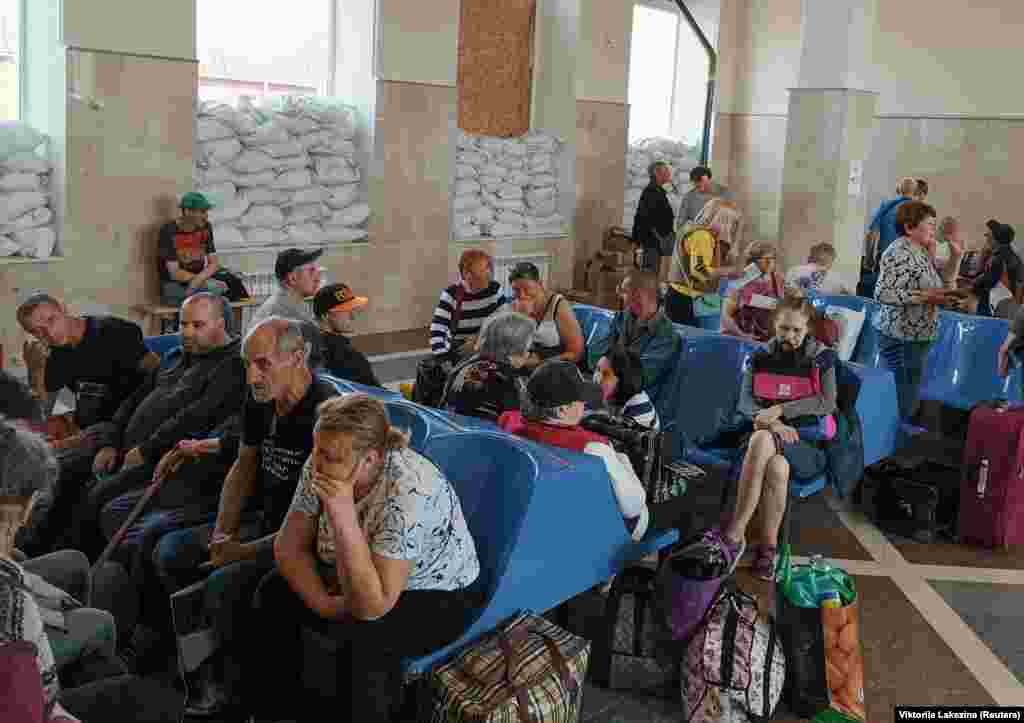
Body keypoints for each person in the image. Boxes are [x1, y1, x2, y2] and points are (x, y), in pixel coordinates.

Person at [250, 394, 483, 722]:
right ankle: (282, 710)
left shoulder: (411, 491)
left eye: (328, 456)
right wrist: (323, 603)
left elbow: (372, 606)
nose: (316, 462)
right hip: (360, 569)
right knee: (272, 593)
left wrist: (342, 514)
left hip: (436, 591)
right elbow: (289, 546)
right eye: (316, 448)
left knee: (365, 643)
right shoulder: (326, 459)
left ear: (370, 460)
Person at [149, 317, 338, 716]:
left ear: (297, 358)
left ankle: (234, 692)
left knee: (223, 585)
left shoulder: (327, 414)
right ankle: (200, 667)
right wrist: (222, 534)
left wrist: (239, 553)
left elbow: (318, 523)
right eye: (247, 364)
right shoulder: (260, 400)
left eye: (263, 364)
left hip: (305, 540)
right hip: (263, 524)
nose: (252, 376)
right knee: (171, 551)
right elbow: (244, 466)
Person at [23, 294, 245, 559]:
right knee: (66, 476)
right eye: (182, 324)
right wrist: (110, 443)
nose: (186, 333)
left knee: (95, 497)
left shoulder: (232, 366)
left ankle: (71, 566)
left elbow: (194, 418)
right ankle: (43, 555)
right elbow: (131, 402)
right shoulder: (176, 355)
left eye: (197, 325)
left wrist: (145, 450)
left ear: (220, 324)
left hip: (162, 458)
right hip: (121, 444)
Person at [0, 418, 183, 723]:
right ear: (28, 505)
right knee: (105, 630)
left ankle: (95, 671)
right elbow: (31, 707)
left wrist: (36, 593)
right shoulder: (17, 610)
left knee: (76, 570)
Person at [695, 296, 838, 580]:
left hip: (807, 444)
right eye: (784, 328)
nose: (790, 336)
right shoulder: (760, 356)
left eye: (797, 330)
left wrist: (780, 410)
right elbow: (745, 403)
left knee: (761, 440)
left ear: (807, 328)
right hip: (766, 437)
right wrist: (774, 426)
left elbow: (827, 402)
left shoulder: (822, 357)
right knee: (777, 467)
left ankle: (734, 535)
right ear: (774, 325)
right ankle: (767, 549)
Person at [499, 361, 650, 541]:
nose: (584, 404)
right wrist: (622, 458)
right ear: (563, 410)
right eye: (580, 399)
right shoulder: (594, 449)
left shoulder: (507, 420)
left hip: (533, 516)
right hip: (587, 530)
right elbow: (633, 506)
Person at [874, 201, 963, 420]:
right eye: (930, 224)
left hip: (917, 335)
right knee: (904, 398)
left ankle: (894, 439)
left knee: (908, 396)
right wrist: (927, 297)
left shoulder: (920, 251)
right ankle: (890, 444)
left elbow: (946, 285)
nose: (934, 229)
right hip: (901, 337)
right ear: (909, 227)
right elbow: (882, 293)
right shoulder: (898, 251)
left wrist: (956, 258)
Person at [16, 292, 158, 428]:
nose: (50, 334)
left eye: (51, 320)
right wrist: (36, 370)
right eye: (37, 331)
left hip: (133, 420)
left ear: (63, 309)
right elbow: (42, 413)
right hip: (93, 425)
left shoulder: (114, 331)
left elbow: (161, 376)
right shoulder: (54, 354)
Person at [592, 269, 679, 392]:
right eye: (624, 292)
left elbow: (638, 379)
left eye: (626, 292)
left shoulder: (667, 335)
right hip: (606, 391)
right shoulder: (621, 318)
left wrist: (609, 364)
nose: (623, 298)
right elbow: (594, 354)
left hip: (635, 402)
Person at [440, 311, 534, 420]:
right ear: (512, 350)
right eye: (528, 349)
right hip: (487, 434)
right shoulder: (509, 381)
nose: (528, 354)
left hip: (453, 429)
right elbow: (519, 421)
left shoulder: (465, 364)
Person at [665, 198, 743, 325]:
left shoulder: (692, 229)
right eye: (730, 223)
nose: (729, 229)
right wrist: (728, 271)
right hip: (691, 298)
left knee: (706, 335)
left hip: (693, 295)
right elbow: (699, 271)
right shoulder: (702, 236)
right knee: (703, 337)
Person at [429, 249, 507, 360]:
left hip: (486, 343)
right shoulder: (452, 295)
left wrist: (478, 341)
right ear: (466, 274)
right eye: (483, 269)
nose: (489, 273)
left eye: (489, 268)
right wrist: (441, 356)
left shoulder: (495, 289)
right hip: (459, 349)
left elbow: (504, 322)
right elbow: (437, 328)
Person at [506, 261, 585, 367]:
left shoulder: (558, 305)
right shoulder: (514, 306)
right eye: (516, 290)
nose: (522, 295)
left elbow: (576, 353)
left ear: (540, 283)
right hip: (524, 366)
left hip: (554, 368)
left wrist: (540, 364)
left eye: (526, 288)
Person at [158, 192, 229, 305]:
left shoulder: (206, 227)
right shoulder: (168, 231)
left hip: (198, 280)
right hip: (175, 284)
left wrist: (198, 281)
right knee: (218, 300)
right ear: (187, 211)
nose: (206, 216)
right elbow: (175, 273)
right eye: (202, 212)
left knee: (228, 286)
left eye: (206, 212)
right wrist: (202, 282)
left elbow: (214, 263)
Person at [312, 282, 381, 387]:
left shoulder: (308, 346)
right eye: (346, 311)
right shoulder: (345, 355)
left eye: (352, 310)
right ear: (326, 316)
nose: (352, 317)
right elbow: (375, 394)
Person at [721, 240, 787, 342]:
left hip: (766, 340)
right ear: (753, 260)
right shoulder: (740, 280)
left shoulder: (779, 280)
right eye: (765, 258)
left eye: (772, 258)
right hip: (738, 338)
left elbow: (782, 311)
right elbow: (725, 316)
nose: (770, 262)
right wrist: (742, 335)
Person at [250, 247, 323, 328]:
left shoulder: (291, 303)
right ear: (292, 279)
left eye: (317, 270)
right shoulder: (284, 314)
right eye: (311, 271)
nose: (318, 279)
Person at [592, 346, 660, 429]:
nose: (597, 379)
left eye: (606, 374)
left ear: (623, 380)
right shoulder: (613, 398)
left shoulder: (640, 410)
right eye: (597, 369)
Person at [631, 161, 675, 272]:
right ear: (657, 174)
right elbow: (645, 219)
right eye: (666, 171)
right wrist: (661, 238)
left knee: (654, 274)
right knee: (650, 275)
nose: (669, 173)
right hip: (653, 242)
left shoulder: (658, 191)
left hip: (657, 241)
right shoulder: (651, 191)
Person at [865, 177, 918, 268]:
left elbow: (871, 233)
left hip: (885, 256)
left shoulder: (886, 206)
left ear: (898, 190)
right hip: (908, 259)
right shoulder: (919, 210)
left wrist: (869, 257)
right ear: (915, 192)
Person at [973, 220, 1022, 317]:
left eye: (989, 236)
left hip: (994, 306)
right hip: (1010, 305)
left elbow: (981, 284)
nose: (987, 238)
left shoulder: (998, 259)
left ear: (996, 239)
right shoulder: (1014, 257)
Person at [785, 243, 854, 296]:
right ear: (830, 260)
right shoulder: (837, 278)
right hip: (823, 312)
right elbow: (851, 295)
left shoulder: (793, 270)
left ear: (812, 257)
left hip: (796, 311)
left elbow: (785, 292)